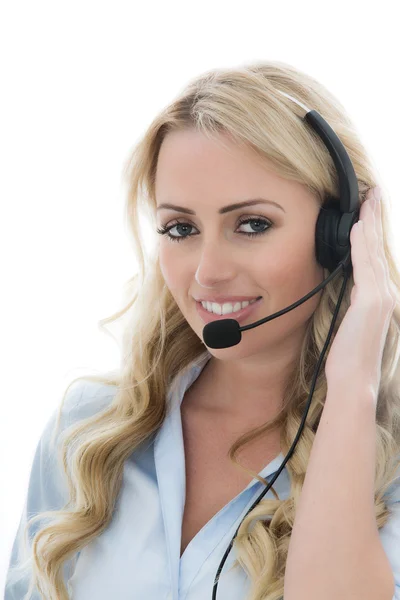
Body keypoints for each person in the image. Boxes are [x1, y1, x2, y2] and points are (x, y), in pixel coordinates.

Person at [5, 61, 400, 600]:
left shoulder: (390, 460)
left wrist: (353, 385)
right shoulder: (88, 435)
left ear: (341, 233)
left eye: (252, 224)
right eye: (181, 228)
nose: (207, 271)